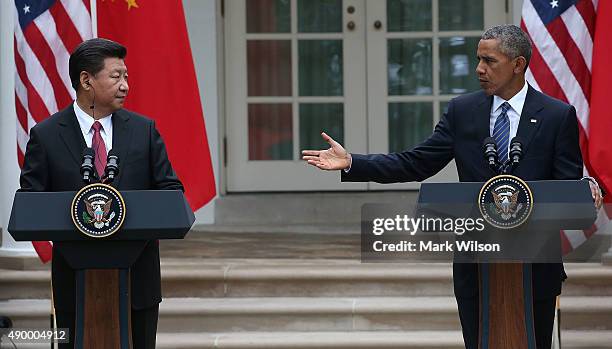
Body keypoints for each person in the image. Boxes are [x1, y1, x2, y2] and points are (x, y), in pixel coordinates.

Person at [303, 24, 602, 349]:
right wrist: (352, 163)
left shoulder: (556, 115)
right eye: (477, 59)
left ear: (518, 65)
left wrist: (583, 187)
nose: (479, 69)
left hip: (534, 268)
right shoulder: (463, 111)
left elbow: (565, 188)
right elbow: (416, 162)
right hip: (476, 263)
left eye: (490, 61)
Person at [20, 38, 183, 349]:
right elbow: (31, 202)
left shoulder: (143, 130)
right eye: (116, 76)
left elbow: (170, 192)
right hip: (74, 284)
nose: (125, 85)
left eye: (126, 76)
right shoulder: (46, 135)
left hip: (138, 282)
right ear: (86, 80)